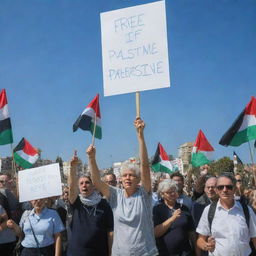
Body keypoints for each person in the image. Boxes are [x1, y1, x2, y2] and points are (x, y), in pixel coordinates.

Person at [87, 117, 158, 256]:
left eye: (131, 175)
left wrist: (140, 136)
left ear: (138, 179)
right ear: (120, 178)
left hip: (145, 253)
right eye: (124, 175)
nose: (127, 178)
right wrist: (91, 158)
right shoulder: (115, 195)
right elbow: (96, 181)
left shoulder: (144, 194)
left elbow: (144, 166)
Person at [196, 172, 256, 256]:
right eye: (221, 187)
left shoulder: (246, 210)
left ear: (234, 189)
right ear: (216, 190)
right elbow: (200, 239)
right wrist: (206, 245)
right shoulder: (209, 210)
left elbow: (254, 237)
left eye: (229, 187)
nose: (224, 190)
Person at [67, 154, 113, 256]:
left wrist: (111, 253)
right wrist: (73, 167)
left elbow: (110, 231)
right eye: (81, 183)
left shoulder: (104, 204)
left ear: (93, 185)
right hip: (76, 252)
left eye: (87, 182)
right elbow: (71, 188)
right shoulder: (76, 202)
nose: (84, 185)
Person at [153, 179, 197, 256]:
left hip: (185, 253)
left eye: (174, 191)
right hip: (165, 253)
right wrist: (173, 218)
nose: (172, 194)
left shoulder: (184, 208)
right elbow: (156, 233)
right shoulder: (157, 209)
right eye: (169, 192)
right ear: (162, 194)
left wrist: (196, 251)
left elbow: (191, 233)